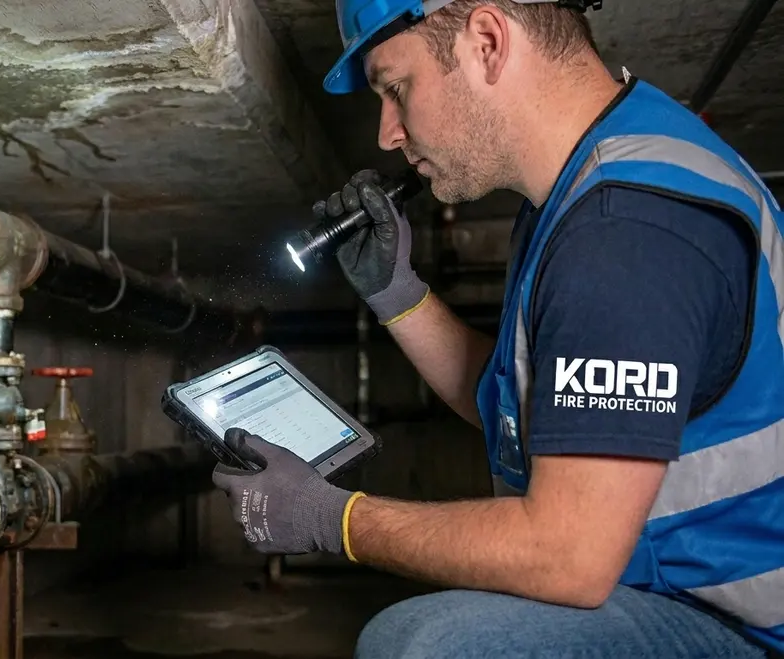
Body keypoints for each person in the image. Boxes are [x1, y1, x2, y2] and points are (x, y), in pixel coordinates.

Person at [209, 1, 784, 657]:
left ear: (485, 41)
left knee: (429, 644)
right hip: (666, 586)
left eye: (396, 88)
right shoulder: (582, 190)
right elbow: (521, 409)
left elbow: (566, 556)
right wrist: (398, 293)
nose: (386, 133)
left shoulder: (625, 233)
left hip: (738, 623)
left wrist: (330, 517)